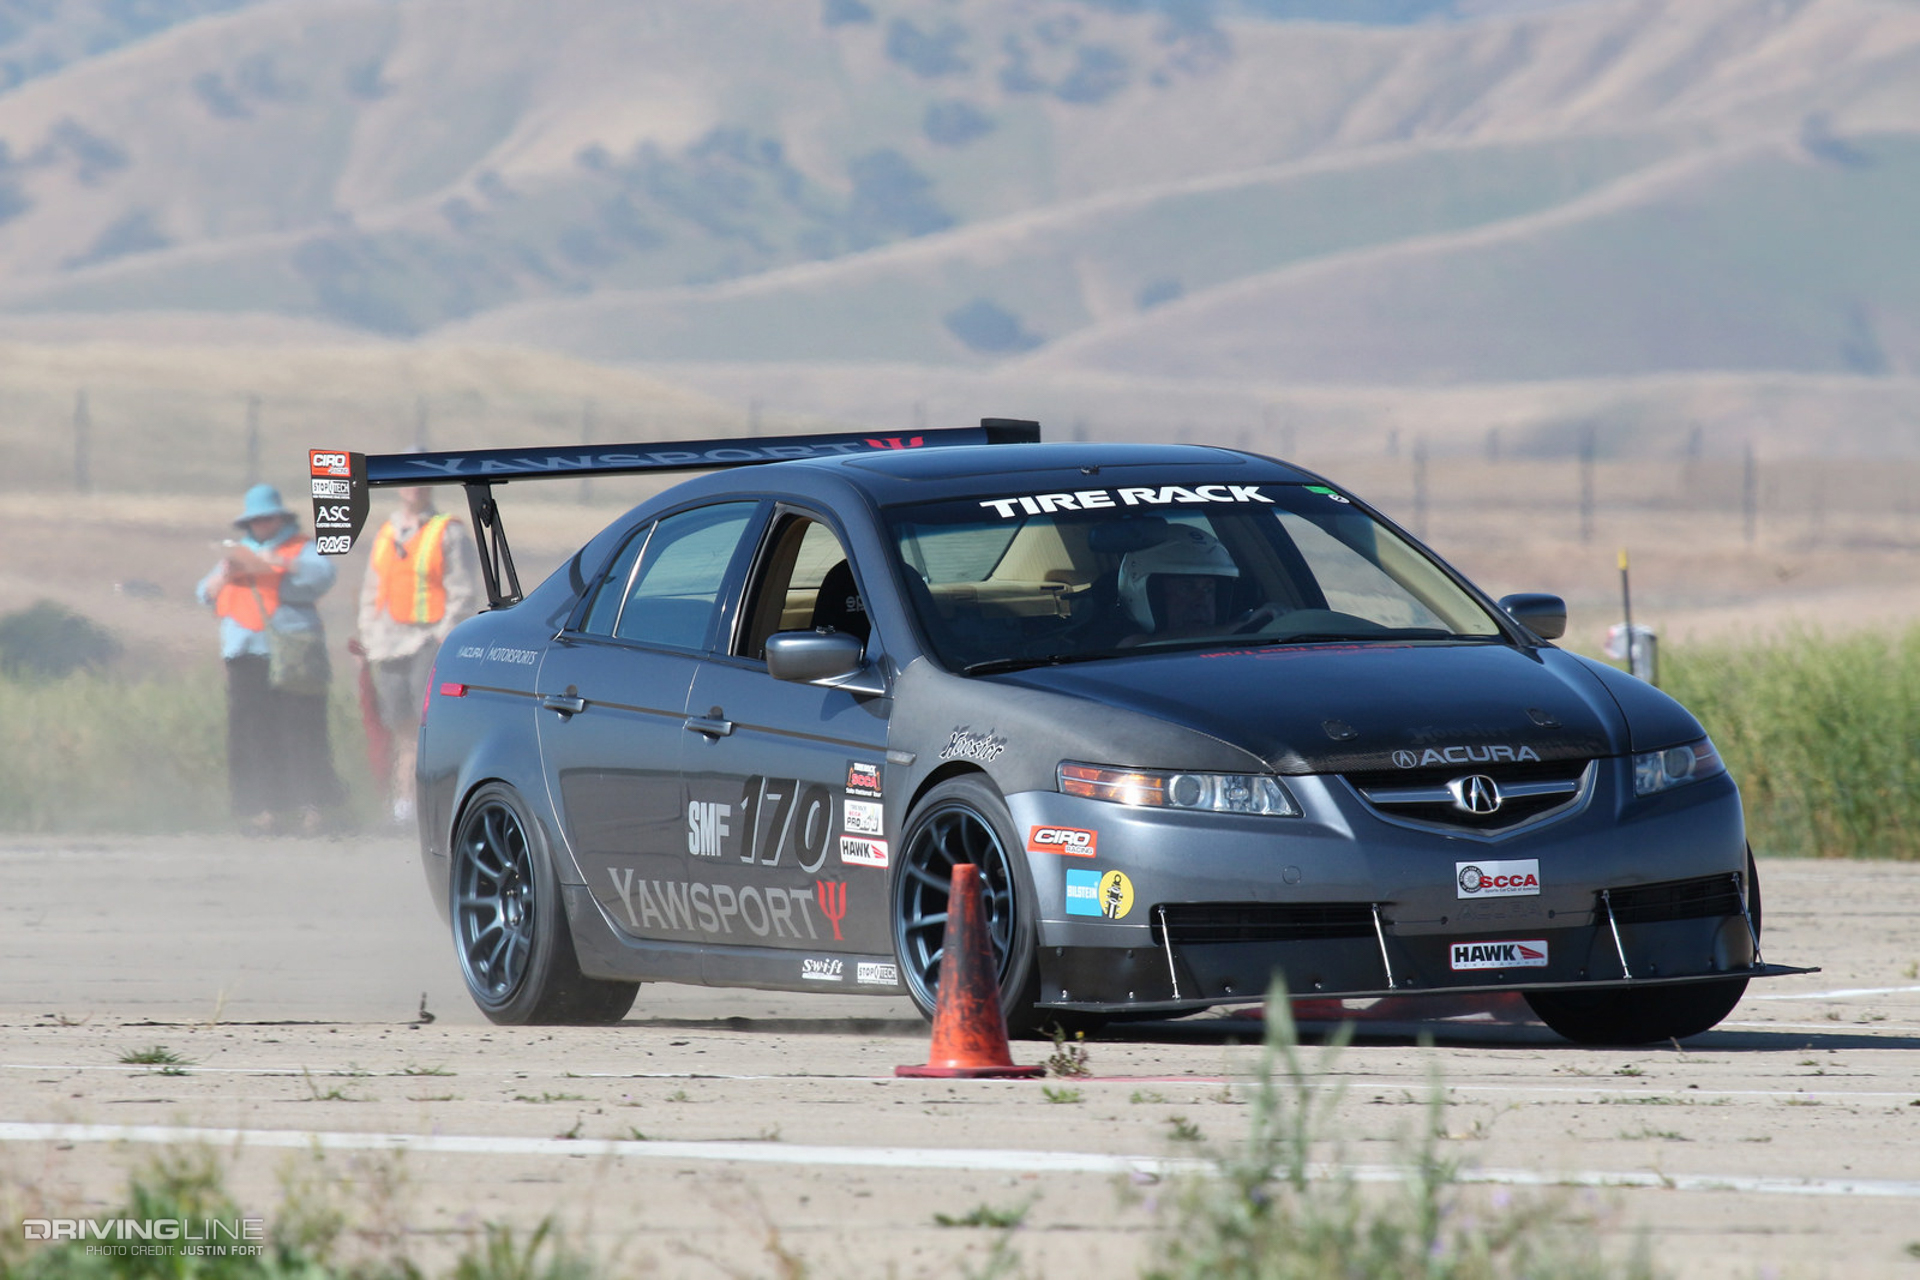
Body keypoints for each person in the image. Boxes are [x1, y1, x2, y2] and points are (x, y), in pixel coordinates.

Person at [195, 483, 345, 835]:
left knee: (301, 728)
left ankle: (313, 807)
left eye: (267, 517)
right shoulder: (237, 553)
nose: (262, 524)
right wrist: (225, 574)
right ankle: (264, 808)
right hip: (245, 653)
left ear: (280, 517)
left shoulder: (300, 548)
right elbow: (204, 593)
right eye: (255, 519)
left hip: (290, 651)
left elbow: (323, 575)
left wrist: (278, 563)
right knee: (253, 733)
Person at [353, 485, 480, 825]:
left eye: (421, 484)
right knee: (399, 726)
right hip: (388, 643)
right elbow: (372, 589)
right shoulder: (387, 532)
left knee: (425, 726)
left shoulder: (447, 531)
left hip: (428, 640)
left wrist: (445, 636)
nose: (415, 490)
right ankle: (401, 805)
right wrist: (368, 636)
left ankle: (419, 805)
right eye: (409, 483)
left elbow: (463, 589)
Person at [1116, 525, 1244, 645]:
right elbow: (1137, 647)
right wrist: (1242, 627)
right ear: (1148, 595)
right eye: (1187, 588)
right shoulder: (1109, 633)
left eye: (1208, 589)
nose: (1201, 601)